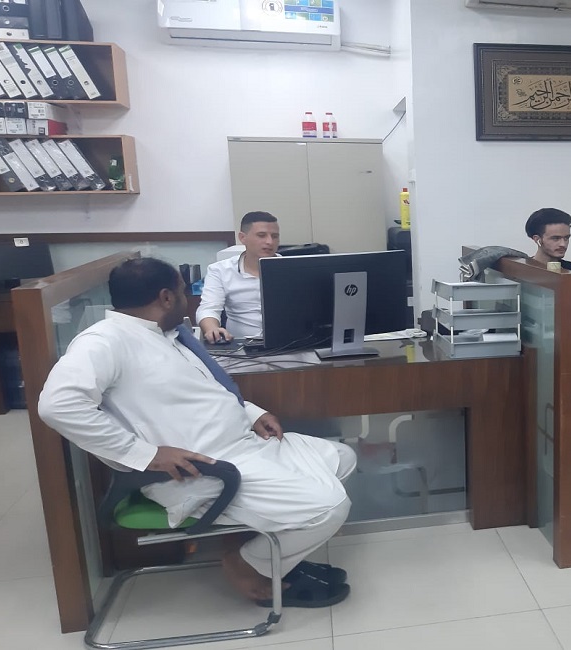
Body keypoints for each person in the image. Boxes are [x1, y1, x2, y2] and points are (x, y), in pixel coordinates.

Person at [39, 257, 355, 608]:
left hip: (245, 445)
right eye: (183, 291)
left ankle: (264, 547)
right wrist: (146, 455)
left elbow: (200, 391)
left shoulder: (167, 334)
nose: (189, 299)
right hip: (204, 469)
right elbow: (58, 405)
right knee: (330, 507)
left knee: (341, 458)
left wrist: (251, 413)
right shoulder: (105, 341)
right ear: (166, 297)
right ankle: (247, 565)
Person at [197, 211, 281, 343]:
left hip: (289, 342)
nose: (269, 242)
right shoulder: (220, 270)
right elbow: (208, 309)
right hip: (242, 345)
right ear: (243, 238)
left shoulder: (293, 268)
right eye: (261, 235)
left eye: (274, 236)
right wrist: (212, 329)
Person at [525, 208, 571, 278]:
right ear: (537, 239)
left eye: (566, 238)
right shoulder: (522, 270)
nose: (563, 244)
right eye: (555, 238)